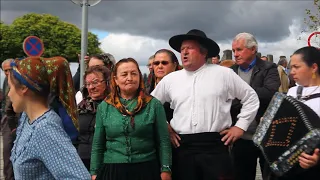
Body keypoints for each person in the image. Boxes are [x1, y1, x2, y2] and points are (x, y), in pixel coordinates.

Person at [151, 29, 260, 180]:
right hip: (182, 147)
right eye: (182, 49)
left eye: (189, 48)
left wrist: (240, 127)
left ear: (203, 52)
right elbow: (151, 105)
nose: (184, 53)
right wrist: (165, 126)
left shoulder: (224, 74)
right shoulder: (170, 79)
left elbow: (251, 98)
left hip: (215, 146)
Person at [9, 56, 90, 179]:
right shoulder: (27, 118)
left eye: (10, 87)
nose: (9, 94)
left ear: (24, 88)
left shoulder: (45, 128)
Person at [90, 58, 172, 180]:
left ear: (139, 77)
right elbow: (98, 144)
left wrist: (166, 169)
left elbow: (163, 141)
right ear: (115, 80)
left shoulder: (153, 104)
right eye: (124, 74)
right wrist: (94, 172)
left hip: (146, 169)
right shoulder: (105, 107)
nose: (130, 78)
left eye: (134, 74)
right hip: (112, 170)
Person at [230, 32, 280, 180]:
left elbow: (269, 93)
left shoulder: (268, 68)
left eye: (239, 50)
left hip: (265, 134)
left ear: (253, 49)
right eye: (233, 51)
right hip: (241, 135)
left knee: (269, 175)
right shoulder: (231, 72)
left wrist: (240, 92)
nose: (235, 54)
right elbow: (227, 99)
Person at [266, 46, 320, 180]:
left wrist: (317, 159)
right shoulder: (292, 92)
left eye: (296, 67)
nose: (291, 72)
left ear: (313, 67)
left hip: (311, 169)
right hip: (285, 165)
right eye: (291, 67)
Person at [76, 65, 111, 170]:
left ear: (107, 82)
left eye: (95, 82)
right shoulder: (81, 106)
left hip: (106, 162)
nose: (91, 87)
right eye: (88, 84)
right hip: (81, 161)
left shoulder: (116, 106)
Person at [1, 59, 18, 180]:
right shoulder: (6, 81)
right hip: (8, 120)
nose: (7, 73)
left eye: (9, 70)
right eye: (5, 70)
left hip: (18, 117)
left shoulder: (18, 80)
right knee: (7, 151)